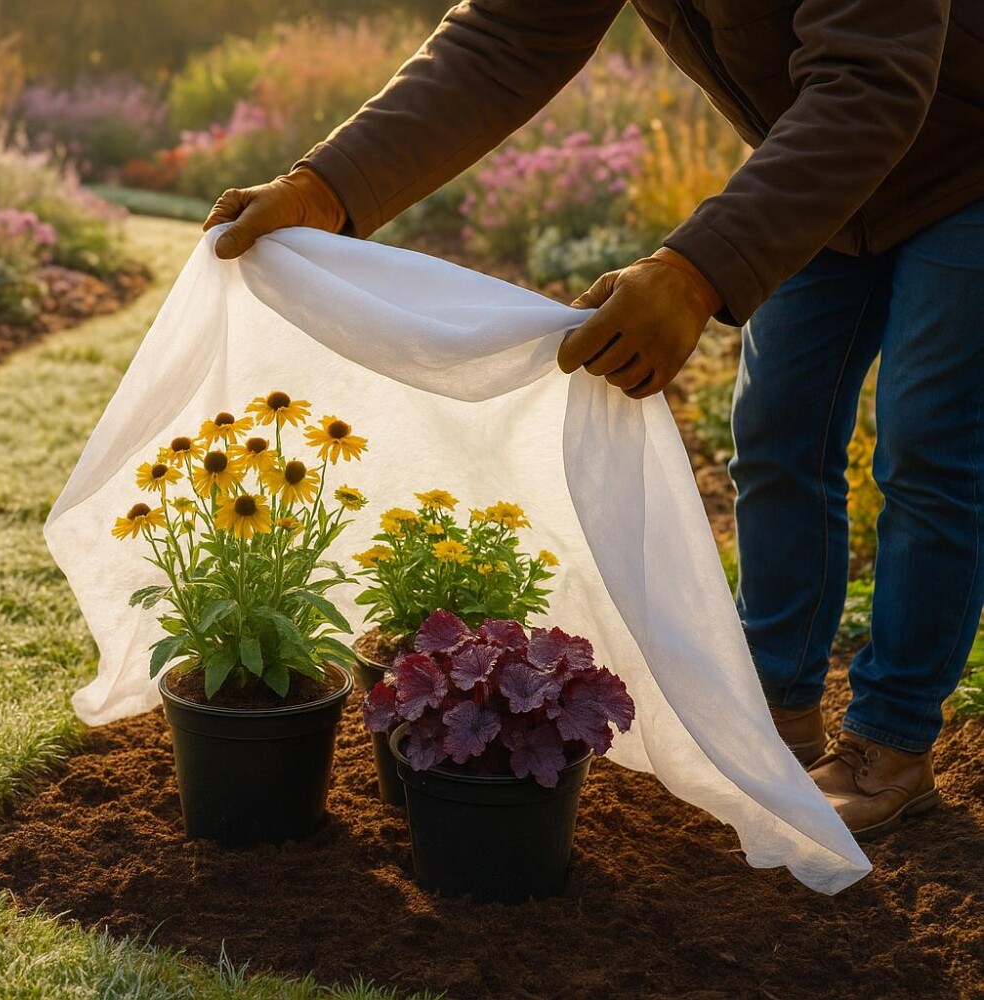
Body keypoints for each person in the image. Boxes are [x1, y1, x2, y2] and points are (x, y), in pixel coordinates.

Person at [204, 0, 984, 841]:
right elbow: (511, 35)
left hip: (962, 166)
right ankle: (774, 711)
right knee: (776, 438)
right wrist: (326, 188)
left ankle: (890, 741)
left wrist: (693, 275)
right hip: (829, 168)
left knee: (925, 450)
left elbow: (871, 80)